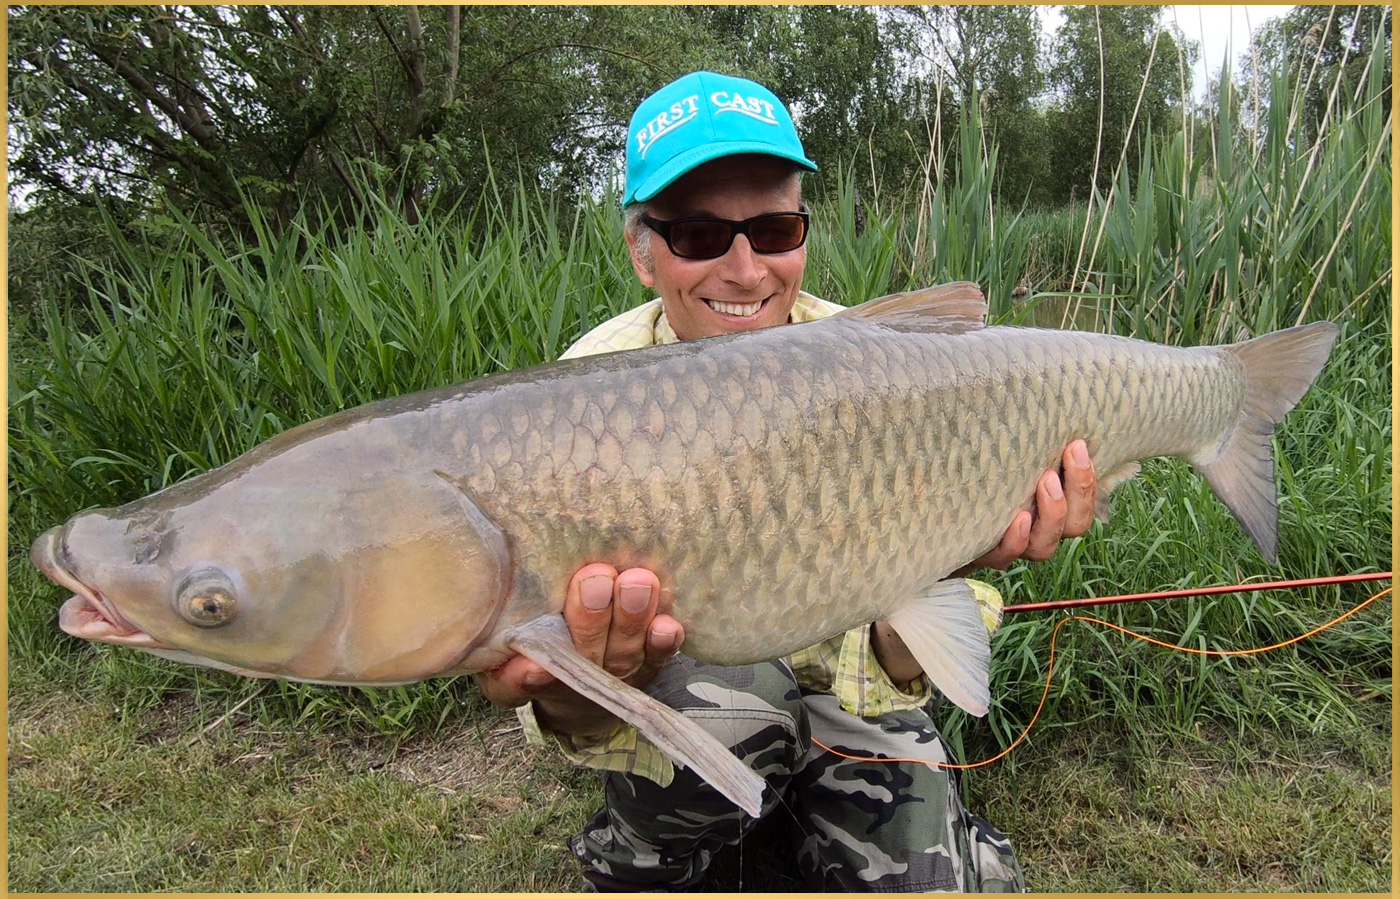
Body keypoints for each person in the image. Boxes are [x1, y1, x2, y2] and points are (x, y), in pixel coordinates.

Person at [476, 71, 1098, 892]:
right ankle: (659, 835)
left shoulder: (887, 368)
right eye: (699, 235)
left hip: (854, 690)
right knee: (741, 697)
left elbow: (903, 656)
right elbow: (558, 690)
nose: (744, 270)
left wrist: (961, 555)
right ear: (642, 252)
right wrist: (573, 690)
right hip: (695, 687)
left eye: (773, 230)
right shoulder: (575, 400)